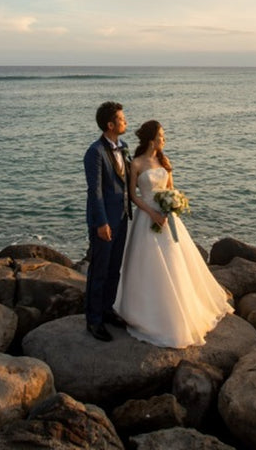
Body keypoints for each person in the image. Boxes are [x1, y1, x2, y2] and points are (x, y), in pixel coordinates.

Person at [113, 120, 233, 348]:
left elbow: (171, 190)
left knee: (175, 263)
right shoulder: (136, 163)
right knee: (147, 266)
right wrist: (151, 213)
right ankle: (146, 314)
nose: (164, 138)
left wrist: (172, 206)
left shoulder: (164, 162)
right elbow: (133, 196)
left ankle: (180, 310)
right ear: (151, 139)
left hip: (167, 218)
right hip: (146, 217)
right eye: (161, 134)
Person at [83, 101, 132, 341]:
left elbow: (127, 182)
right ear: (110, 124)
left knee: (115, 269)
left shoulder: (124, 147)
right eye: (122, 120)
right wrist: (101, 223)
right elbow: (96, 192)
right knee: (99, 270)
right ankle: (93, 320)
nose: (126, 122)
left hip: (122, 218)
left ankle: (107, 309)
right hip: (103, 222)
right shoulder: (95, 152)